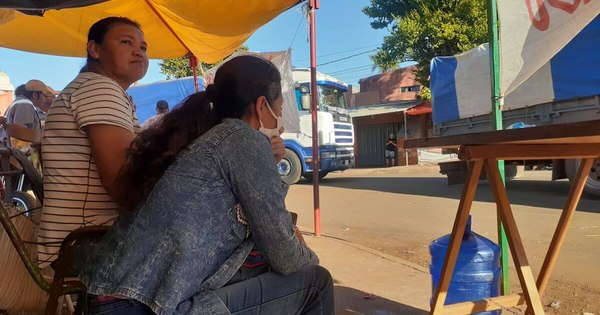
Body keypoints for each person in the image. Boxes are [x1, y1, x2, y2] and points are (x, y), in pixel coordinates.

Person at [80, 55, 334, 315]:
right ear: (261, 107)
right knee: (316, 281)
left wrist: (269, 163)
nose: (280, 122)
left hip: (118, 297)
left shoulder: (206, 137)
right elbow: (285, 255)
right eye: (279, 110)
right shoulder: (243, 140)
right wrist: (311, 260)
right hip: (142, 306)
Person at [37, 16, 149, 267]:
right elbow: (124, 184)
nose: (139, 52)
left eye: (143, 47)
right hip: (85, 244)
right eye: (126, 42)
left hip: (81, 240)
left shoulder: (98, 88)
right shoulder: (99, 89)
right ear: (94, 49)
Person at [2, 80, 56, 151]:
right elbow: (20, 138)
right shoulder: (25, 104)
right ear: (35, 95)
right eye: (44, 96)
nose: (44, 99)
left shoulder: (19, 103)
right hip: (22, 156)